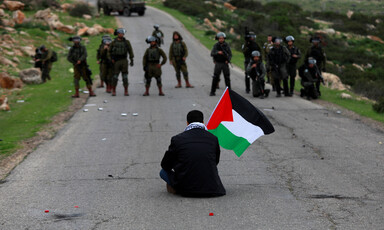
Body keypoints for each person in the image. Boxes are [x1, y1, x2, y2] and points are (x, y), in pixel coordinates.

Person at [160, 110, 226, 197]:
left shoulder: (177, 139)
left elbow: (165, 165)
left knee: (163, 172)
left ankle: (176, 188)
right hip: (212, 189)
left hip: (186, 189)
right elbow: (215, 161)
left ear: (187, 123)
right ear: (202, 122)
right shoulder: (213, 138)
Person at [109, 28, 134, 96]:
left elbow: (130, 51)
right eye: (120, 33)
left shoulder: (126, 42)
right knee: (115, 76)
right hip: (116, 61)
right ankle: (113, 90)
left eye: (122, 33)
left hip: (124, 60)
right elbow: (109, 52)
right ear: (117, 34)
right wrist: (111, 59)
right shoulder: (113, 42)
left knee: (125, 76)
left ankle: (126, 90)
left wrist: (131, 59)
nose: (121, 34)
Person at [210, 32, 232, 96]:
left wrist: (228, 60)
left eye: (222, 38)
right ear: (218, 39)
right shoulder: (216, 45)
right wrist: (217, 52)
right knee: (215, 77)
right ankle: (212, 91)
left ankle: (229, 92)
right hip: (218, 63)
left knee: (227, 78)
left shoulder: (227, 45)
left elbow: (230, 54)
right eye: (220, 38)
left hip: (225, 63)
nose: (221, 40)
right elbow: (212, 53)